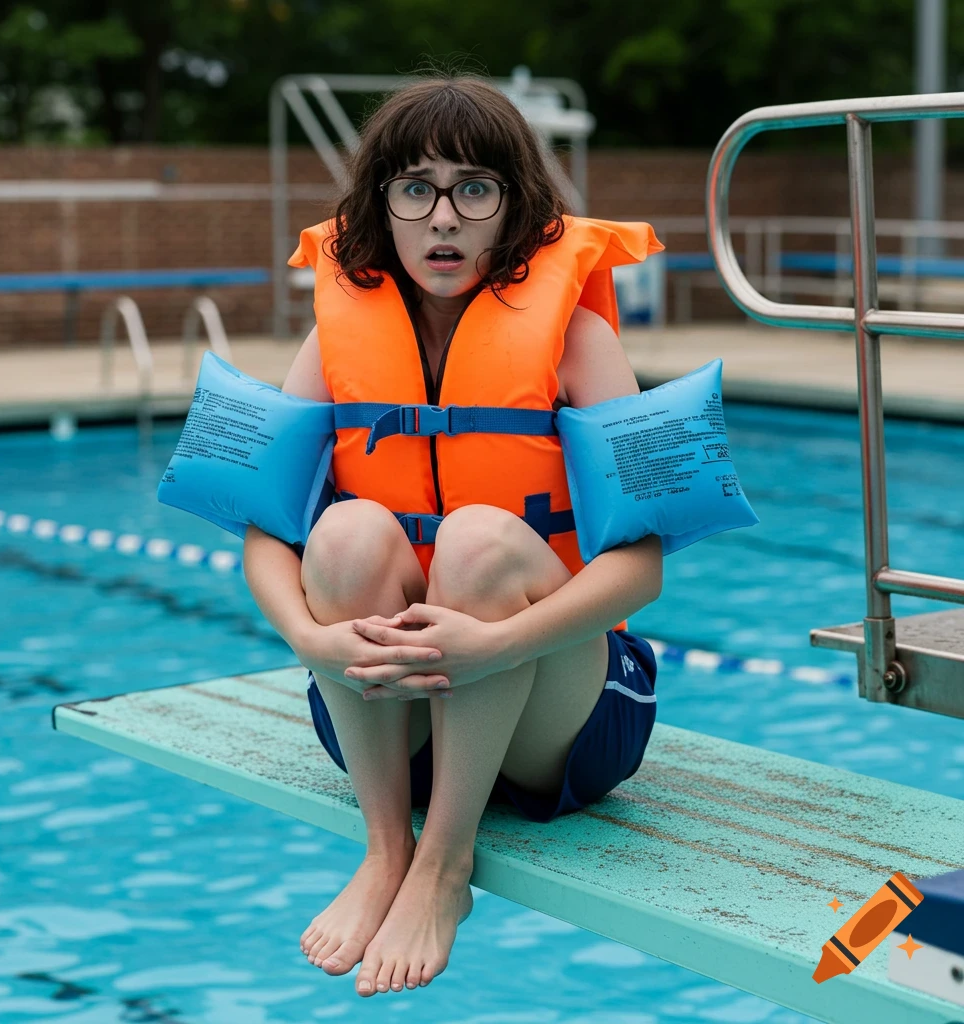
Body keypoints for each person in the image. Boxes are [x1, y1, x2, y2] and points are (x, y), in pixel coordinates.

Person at [242, 72, 663, 999]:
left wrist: (499, 641)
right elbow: (263, 536)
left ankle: (444, 867)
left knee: (476, 537)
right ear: (379, 206)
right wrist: (310, 640)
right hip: (388, 715)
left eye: (475, 189)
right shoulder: (330, 341)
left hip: (566, 716)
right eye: (415, 188)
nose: (443, 218)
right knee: (344, 534)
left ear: (516, 209)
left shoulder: (583, 341)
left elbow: (643, 572)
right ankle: (387, 847)